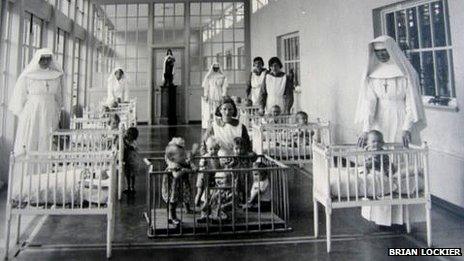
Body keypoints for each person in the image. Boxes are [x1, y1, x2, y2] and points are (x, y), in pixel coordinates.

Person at [355, 35, 427, 227]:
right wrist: (366, 129)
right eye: (378, 53)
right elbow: (369, 105)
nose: (382, 56)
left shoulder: (406, 73)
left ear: (392, 51)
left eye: (385, 52)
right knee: (379, 165)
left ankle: (403, 219)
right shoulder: (372, 75)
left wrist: (406, 128)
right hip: (380, 122)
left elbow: (411, 102)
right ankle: (380, 217)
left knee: (400, 164)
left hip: (401, 120)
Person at [9, 48, 63, 156]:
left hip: (50, 111)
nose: (45, 62)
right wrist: (23, 114)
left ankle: (44, 170)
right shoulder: (28, 76)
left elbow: (58, 96)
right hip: (33, 111)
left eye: (48, 59)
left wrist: (57, 111)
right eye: (42, 59)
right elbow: (21, 96)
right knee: (31, 137)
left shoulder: (56, 76)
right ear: (37, 60)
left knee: (47, 138)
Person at [162, 138, 196, 225]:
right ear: (173, 157)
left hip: (177, 185)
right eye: (181, 155)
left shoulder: (178, 161)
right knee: (172, 201)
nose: (183, 157)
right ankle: (172, 217)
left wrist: (189, 163)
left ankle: (182, 211)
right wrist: (184, 170)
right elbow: (176, 175)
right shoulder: (173, 164)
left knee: (178, 198)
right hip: (172, 186)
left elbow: (186, 161)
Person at [195, 137, 221, 207]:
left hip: (211, 176)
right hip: (203, 176)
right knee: (200, 191)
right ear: (207, 149)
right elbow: (201, 163)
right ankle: (196, 203)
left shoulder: (217, 157)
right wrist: (202, 163)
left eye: (215, 149)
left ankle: (206, 204)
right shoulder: (206, 156)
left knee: (208, 190)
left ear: (218, 149)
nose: (213, 151)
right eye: (211, 149)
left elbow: (218, 166)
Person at [201, 62, 229, 129]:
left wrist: (223, 94)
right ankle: (210, 125)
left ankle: (219, 124)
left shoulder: (222, 76)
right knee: (210, 110)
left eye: (217, 68)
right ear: (212, 68)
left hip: (219, 94)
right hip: (211, 94)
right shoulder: (209, 76)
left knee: (218, 108)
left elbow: (224, 87)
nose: (216, 69)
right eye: (214, 68)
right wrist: (206, 95)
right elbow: (206, 87)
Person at [123, 127, 141, 195]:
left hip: (133, 161)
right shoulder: (128, 141)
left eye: (128, 134)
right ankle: (128, 187)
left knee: (132, 175)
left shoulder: (134, 142)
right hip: (128, 161)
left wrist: (124, 142)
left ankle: (132, 187)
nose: (127, 135)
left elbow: (130, 147)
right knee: (127, 174)